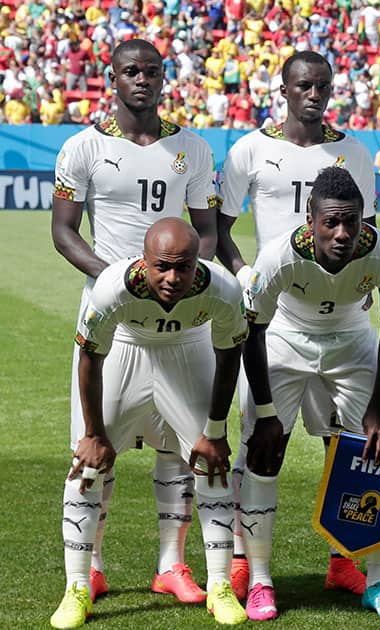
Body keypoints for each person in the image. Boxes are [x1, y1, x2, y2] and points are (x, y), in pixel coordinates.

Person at [50, 38, 219, 608]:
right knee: (94, 446)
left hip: (180, 317)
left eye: (151, 71)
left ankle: (171, 564)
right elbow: (65, 232)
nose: (141, 80)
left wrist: (177, 278)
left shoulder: (192, 148)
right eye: (130, 71)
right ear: (112, 76)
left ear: (164, 77)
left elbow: (211, 231)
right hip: (113, 319)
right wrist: (120, 282)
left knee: (182, 447)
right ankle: (89, 568)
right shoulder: (82, 147)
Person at [216, 50, 378, 600]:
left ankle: (344, 558)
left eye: (323, 86)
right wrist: (245, 275)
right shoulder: (251, 150)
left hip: (345, 321)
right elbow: (219, 226)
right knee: (263, 440)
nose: (315, 94)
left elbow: (369, 231)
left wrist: (363, 288)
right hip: (278, 320)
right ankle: (244, 561)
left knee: (349, 447)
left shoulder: (354, 151)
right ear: (282, 90)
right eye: (304, 86)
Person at [50, 219, 248, 628]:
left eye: (184, 267)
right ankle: (77, 587)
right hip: (126, 349)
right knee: (86, 467)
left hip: (188, 351)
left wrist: (215, 431)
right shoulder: (112, 288)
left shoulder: (223, 289)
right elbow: (90, 359)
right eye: (162, 267)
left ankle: (219, 586)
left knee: (211, 467)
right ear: (144, 261)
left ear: (199, 263)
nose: (173, 278)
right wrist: (93, 434)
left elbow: (229, 356)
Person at [238, 166, 380, 620]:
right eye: (330, 222)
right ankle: (259, 579)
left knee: (373, 456)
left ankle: (372, 579)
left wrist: (377, 406)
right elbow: (250, 334)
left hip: (352, 343)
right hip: (285, 341)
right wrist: (266, 411)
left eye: (351, 222)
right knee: (265, 452)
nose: (342, 233)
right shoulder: (278, 257)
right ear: (309, 221)